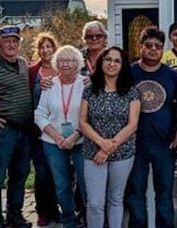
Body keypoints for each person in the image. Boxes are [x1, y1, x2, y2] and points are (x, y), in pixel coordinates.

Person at [79, 47, 140, 228]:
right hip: (93, 153)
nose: (112, 64)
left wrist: (110, 147)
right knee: (95, 203)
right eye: (108, 60)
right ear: (101, 62)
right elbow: (82, 122)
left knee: (115, 199)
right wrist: (101, 144)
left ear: (122, 66)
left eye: (117, 61)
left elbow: (132, 125)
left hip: (122, 153)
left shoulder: (131, 91)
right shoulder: (89, 90)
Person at [127, 27, 177, 228]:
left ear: (162, 50)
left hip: (164, 144)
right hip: (135, 143)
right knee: (135, 192)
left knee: (165, 193)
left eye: (158, 47)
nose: (153, 50)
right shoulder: (128, 73)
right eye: (148, 45)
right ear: (140, 46)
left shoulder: (173, 77)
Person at [0, 25, 34, 228]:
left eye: (15, 40)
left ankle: (15, 214)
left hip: (24, 130)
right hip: (4, 131)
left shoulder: (23, 64)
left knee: (20, 174)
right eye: (7, 41)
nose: (11, 44)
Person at [34, 44, 87, 228]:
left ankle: (88, 218)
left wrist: (75, 135)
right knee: (62, 184)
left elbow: (91, 115)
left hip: (81, 140)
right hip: (52, 141)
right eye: (62, 60)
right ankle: (68, 221)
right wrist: (57, 137)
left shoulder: (85, 83)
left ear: (78, 63)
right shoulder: (49, 84)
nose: (66, 64)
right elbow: (39, 114)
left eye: (71, 60)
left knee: (85, 182)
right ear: (57, 63)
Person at [28, 32, 60, 226]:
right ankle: (42, 211)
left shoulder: (63, 70)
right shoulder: (32, 72)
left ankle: (55, 208)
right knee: (42, 172)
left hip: (60, 130)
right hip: (38, 130)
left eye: (49, 46)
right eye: (42, 47)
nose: (45, 50)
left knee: (59, 171)